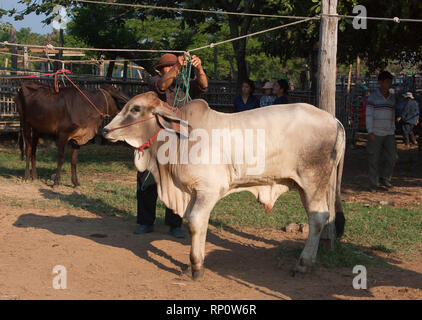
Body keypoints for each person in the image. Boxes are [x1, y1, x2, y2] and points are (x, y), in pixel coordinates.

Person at [134, 53, 208, 237]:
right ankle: (145, 222)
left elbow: (204, 85)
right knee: (147, 179)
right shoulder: (154, 81)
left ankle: (175, 224)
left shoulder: (186, 85)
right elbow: (163, 85)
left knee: (177, 182)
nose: (170, 68)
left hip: (179, 139)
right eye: (167, 66)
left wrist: (199, 68)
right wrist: (177, 67)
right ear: (161, 69)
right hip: (155, 138)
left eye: (172, 65)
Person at [365, 71, 398, 192]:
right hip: (375, 132)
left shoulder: (392, 98)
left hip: (389, 132)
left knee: (393, 157)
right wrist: (370, 131)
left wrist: (392, 129)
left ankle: (385, 178)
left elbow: (393, 114)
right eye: (387, 82)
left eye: (390, 82)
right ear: (380, 83)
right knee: (373, 158)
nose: (389, 84)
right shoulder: (373, 97)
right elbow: (369, 115)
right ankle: (373, 184)